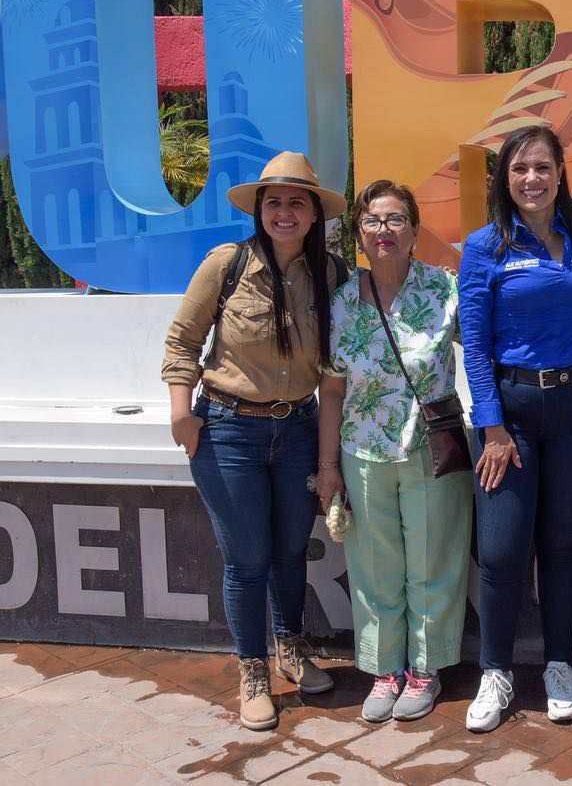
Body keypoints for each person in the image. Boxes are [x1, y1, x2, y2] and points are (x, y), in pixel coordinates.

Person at [162, 152, 344, 730]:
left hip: (296, 429)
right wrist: (180, 415)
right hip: (228, 431)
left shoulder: (333, 274)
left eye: (297, 202)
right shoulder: (228, 264)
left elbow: (345, 358)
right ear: (259, 210)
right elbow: (183, 340)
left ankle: (290, 649)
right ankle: (253, 670)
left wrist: (327, 453)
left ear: (314, 214)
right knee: (246, 560)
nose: (284, 212)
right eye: (274, 202)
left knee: (291, 552)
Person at [457, 126, 572, 732]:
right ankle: (496, 671)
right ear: (504, 178)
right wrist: (491, 427)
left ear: (560, 170)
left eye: (542, 167)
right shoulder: (484, 246)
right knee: (499, 551)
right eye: (519, 169)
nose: (532, 179)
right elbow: (473, 345)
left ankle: (558, 664)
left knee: (562, 544)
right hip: (510, 415)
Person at [315, 180, 472, 723]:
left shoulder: (444, 290)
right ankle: (385, 669)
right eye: (373, 221)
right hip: (362, 450)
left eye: (396, 219)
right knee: (375, 569)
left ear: (414, 230)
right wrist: (327, 466)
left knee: (434, 563)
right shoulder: (340, 303)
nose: (384, 230)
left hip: (432, 449)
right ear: (360, 233)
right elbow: (331, 389)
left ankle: (425, 670)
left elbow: (484, 351)